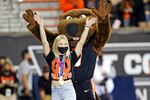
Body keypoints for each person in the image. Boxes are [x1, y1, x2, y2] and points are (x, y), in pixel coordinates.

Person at [33, 13, 97, 100]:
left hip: (68, 87)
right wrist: (41, 25)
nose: (63, 46)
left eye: (65, 44)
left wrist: (86, 28)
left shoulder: (71, 57)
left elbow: (81, 43)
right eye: (61, 44)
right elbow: (44, 42)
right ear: (56, 45)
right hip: (55, 89)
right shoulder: (51, 57)